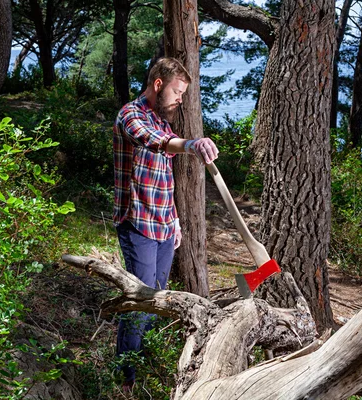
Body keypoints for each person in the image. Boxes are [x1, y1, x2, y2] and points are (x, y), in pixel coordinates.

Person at [112, 57, 219, 391]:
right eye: (177, 91)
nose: (180, 99)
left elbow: (164, 177)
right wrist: (191, 144)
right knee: (140, 303)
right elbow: (154, 142)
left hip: (162, 226)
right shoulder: (131, 116)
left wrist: (174, 219)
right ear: (158, 84)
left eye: (184, 94)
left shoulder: (163, 121)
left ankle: (145, 369)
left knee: (157, 302)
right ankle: (125, 380)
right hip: (138, 224)